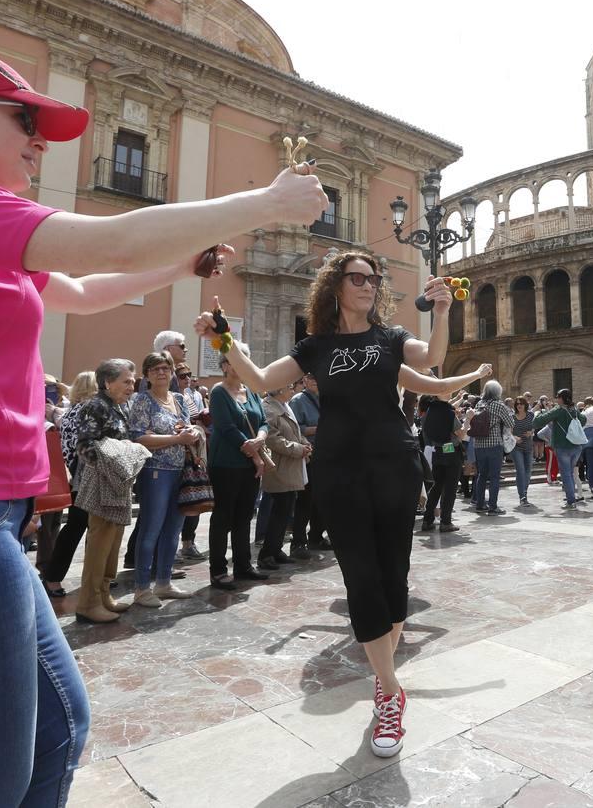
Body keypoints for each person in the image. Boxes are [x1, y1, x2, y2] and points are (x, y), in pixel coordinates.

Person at [0, 39, 327, 803]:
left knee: (58, 733)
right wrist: (267, 204)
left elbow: (88, 288)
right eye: (23, 118)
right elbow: (110, 239)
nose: (38, 141)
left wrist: (182, 263)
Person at [194, 251, 488, 759]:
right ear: (336, 286)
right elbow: (262, 380)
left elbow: (432, 360)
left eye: (374, 279)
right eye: (358, 278)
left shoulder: (391, 339)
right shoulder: (316, 346)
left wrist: (441, 311)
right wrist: (223, 338)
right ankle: (390, 691)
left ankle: (383, 677)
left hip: (394, 465)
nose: (369, 285)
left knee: (394, 576)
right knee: (361, 577)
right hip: (338, 470)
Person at [71, 359, 143, 623]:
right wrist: (112, 463)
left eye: (133, 381)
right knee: (99, 543)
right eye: (126, 381)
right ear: (107, 382)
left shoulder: (118, 406)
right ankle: (88, 603)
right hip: (102, 483)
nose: (131, 386)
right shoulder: (95, 406)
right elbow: (85, 445)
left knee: (113, 542)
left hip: (117, 483)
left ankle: (103, 595)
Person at [127, 352, 200, 607]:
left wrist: (191, 432)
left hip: (181, 471)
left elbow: (188, 427)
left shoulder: (179, 399)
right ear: (146, 374)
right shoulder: (142, 401)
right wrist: (176, 439)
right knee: (151, 529)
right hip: (155, 471)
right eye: (155, 369)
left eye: (165, 368)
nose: (161, 373)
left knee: (173, 530)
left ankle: (164, 582)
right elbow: (139, 438)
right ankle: (141, 588)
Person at [207, 349, 270, 589]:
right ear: (224, 366)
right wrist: (254, 453)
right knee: (223, 516)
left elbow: (263, 421)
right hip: (226, 463)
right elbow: (226, 427)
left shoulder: (251, 391)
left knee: (244, 516)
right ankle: (218, 570)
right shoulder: (219, 392)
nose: (239, 366)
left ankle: (243, 566)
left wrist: (260, 439)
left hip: (249, 462)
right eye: (234, 361)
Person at [41, 371, 98, 597]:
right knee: (78, 526)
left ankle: (62, 576)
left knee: (82, 527)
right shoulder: (84, 412)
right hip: (83, 477)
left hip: (78, 476)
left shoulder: (72, 411)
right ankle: (53, 577)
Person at [259, 386, 311, 569]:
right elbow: (273, 439)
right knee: (279, 511)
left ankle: (276, 549)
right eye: (289, 387)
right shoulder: (269, 408)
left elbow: (295, 433)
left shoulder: (284, 405)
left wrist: (304, 444)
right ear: (278, 389)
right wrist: (298, 449)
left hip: (290, 466)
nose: (293, 389)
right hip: (279, 467)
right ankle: (266, 554)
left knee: (286, 509)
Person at [287, 372, 327, 556]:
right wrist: (319, 428)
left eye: (317, 376)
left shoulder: (327, 397)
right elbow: (295, 429)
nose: (315, 381)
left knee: (323, 499)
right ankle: (298, 542)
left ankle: (317, 536)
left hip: (326, 455)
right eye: (311, 377)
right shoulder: (298, 401)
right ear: (304, 380)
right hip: (309, 454)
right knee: (305, 500)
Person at [533, 390, 586, 508]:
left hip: (562, 447)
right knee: (570, 473)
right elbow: (584, 420)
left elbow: (538, 421)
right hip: (576, 446)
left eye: (557, 397)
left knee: (566, 474)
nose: (556, 399)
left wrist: (537, 413)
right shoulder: (575, 410)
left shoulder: (559, 410)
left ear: (562, 398)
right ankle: (571, 497)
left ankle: (571, 501)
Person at [469, 380, 514, 515]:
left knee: (481, 475)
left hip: (478, 445)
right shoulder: (498, 405)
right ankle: (493, 507)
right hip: (494, 445)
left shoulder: (479, 404)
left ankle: (480, 504)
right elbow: (510, 422)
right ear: (498, 392)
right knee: (494, 477)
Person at [418, 394, 461, 532]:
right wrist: (469, 420)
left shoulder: (427, 413)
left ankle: (427, 520)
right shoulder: (448, 413)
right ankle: (446, 522)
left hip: (437, 450)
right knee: (450, 489)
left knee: (436, 488)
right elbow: (461, 434)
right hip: (450, 451)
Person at [509, 397, 537, 506]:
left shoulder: (531, 415)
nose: (519, 405)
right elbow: (508, 432)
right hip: (516, 447)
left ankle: (524, 492)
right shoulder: (512, 417)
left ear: (525, 404)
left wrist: (531, 432)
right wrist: (514, 437)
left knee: (528, 471)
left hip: (528, 447)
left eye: (521, 403)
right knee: (520, 471)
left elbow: (534, 427)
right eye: (517, 404)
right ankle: (522, 497)